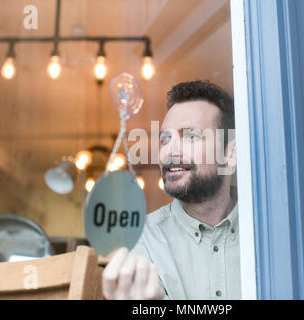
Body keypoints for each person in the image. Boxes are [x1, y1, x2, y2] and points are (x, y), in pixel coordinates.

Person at [102, 80, 239, 300]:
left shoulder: (268, 230)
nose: (169, 152)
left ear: (230, 154)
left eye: (190, 135)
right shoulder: (140, 240)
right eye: (165, 139)